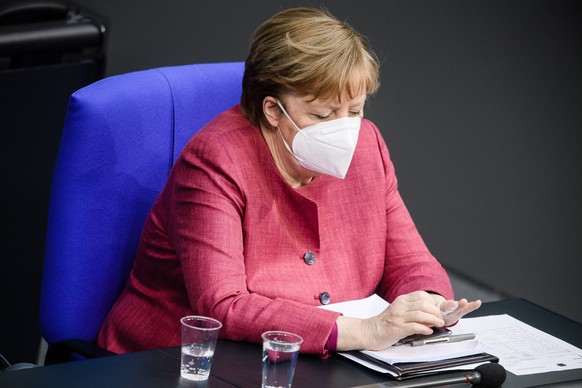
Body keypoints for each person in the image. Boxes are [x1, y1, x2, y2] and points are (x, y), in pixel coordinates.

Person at [97, 7, 481, 356]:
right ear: (273, 109)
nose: (344, 129)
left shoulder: (368, 146)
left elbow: (410, 261)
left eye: (355, 111)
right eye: (323, 113)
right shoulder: (215, 160)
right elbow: (223, 305)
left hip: (313, 363)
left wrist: (426, 304)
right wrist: (364, 330)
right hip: (181, 361)